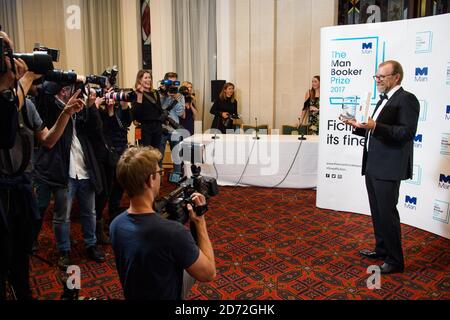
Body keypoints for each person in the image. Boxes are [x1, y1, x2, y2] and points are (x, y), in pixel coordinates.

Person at [0, 30, 84, 299]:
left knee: (21, 256)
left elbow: (47, 140)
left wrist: (65, 113)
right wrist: (23, 79)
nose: (15, 61)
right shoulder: (14, 98)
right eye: (8, 55)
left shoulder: (26, 104)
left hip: (21, 188)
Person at [343, 60, 420, 274]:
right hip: (373, 165)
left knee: (387, 214)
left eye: (382, 76)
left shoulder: (407, 99)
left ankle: (395, 261)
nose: (378, 80)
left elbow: (406, 133)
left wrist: (376, 125)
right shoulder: (383, 99)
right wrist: (358, 127)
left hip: (389, 166)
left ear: (396, 77)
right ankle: (382, 249)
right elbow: (375, 130)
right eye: (376, 76)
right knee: (377, 212)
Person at [110, 147, 216, 300]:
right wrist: (200, 222)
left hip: (134, 292)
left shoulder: (115, 225)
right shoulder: (173, 233)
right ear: (150, 180)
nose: (161, 177)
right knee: (195, 260)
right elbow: (209, 273)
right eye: (160, 173)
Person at [33, 84, 106, 269]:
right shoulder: (49, 107)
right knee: (62, 216)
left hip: (84, 169)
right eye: (66, 88)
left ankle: (91, 245)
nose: (70, 92)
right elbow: (43, 96)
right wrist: (65, 110)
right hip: (63, 171)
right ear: (59, 90)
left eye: (73, 88)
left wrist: (90, 106)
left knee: (90, 212)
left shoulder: (80, 110)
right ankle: (64, 251)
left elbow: (96, 129)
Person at [159, 72, 185, 175]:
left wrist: (175, 99)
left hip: (174, 129)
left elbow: (181, 113)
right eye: (170, 82)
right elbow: (158, 110)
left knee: (177, 157)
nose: (172, 85)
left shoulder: (180, 96)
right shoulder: (160, 94)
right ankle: (158, 181)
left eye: (175, 83)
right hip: (161, 128)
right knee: (159, 156)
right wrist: (164, 95)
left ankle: (176, 178)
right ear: (165, 82)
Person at [131, 70, 162, 149]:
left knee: (156, 153)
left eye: (149, 77)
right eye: (145, 78)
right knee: (145, 154)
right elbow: (136, 114)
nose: (148, 80)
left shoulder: (155, 93)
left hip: (157, 127)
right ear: (140, 80)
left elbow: (159, 109)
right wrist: (140, 95)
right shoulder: (135, 94)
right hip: (144, 128)